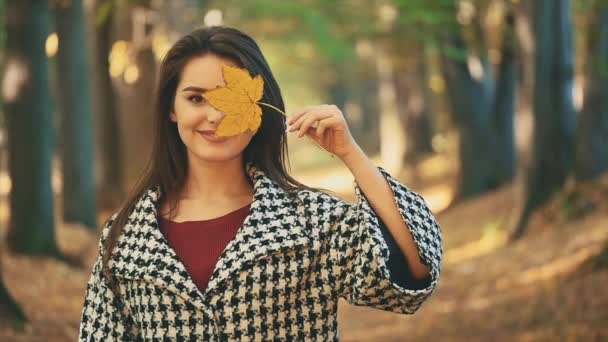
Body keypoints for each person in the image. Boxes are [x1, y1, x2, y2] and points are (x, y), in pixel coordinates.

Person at [78, 25, 443, 341]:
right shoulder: (126, 236)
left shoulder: (309, 221)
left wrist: (352, 155)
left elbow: (414, 277)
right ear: (172, 110)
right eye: (196, 98)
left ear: (260, 106)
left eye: (229, 99)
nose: (215, 115)